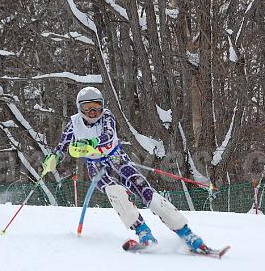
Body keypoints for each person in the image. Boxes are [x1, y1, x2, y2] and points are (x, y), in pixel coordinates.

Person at [41, 86, 211, 254]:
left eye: (96, 106)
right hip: (95, 165)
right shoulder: (74, 123)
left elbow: (108, 135)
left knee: (145, 191)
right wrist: (54, 157)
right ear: (80, 108)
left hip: (117, 159)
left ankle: (186, 233)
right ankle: (143, 232)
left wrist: (91, 143)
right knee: (116, 193)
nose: (92, 112)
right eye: (87, 108)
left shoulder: (106, 116)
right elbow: (62, 146)